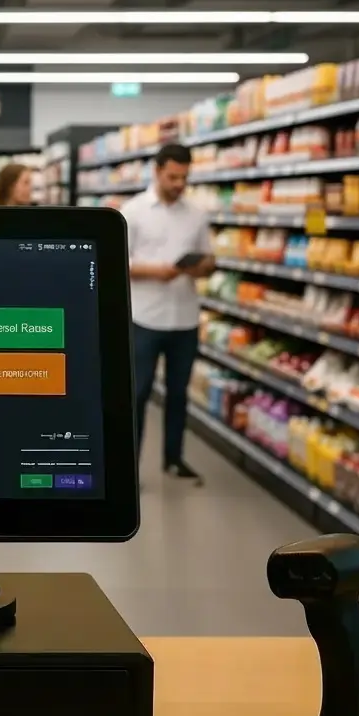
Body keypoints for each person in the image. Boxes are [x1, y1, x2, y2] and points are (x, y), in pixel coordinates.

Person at [121, 142, 215, 485]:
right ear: (157, 171)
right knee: (138, 394)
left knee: (179, 393)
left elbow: (209, 259)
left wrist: (199, 268)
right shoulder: (133, 211)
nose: (179, 184)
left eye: (184, 178)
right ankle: (129, 469)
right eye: (173, 177)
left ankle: (174, 459)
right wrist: (154, 271)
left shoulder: (197, 214)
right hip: (145, 317)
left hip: (184, 317)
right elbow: (117, 261)